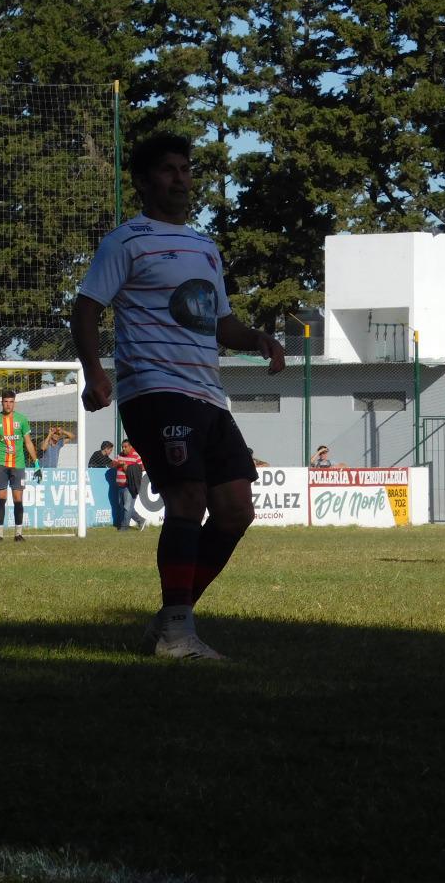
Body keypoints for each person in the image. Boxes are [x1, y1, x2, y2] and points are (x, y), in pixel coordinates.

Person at [72, 132, 285, 660]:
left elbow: (221, 323)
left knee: (236, 511)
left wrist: (256, 339)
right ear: (144, 182)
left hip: (208, 395)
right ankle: (177, 633)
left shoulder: (206, 247)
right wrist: (95, 371)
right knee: (188, 499)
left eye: (186, 169)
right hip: (155, 389)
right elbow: (86, 308)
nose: (181, 179)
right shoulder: (126, 241)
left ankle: (172, 620)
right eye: (168, 170)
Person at [0, 389, 40, 542]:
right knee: (1, 499)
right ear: (1, 402)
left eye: (11, 401)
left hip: (18, 464)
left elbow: (28, 442)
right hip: (0, 464)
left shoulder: (22, 420)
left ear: (15, 403)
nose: (8, 404)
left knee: (18, 499)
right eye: (6, 401)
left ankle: (18, 534)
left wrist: (36, 464)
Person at [113, 440, 147, 530]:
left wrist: (129, 468)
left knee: (127, 507)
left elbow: (142, 467)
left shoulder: (136, 456)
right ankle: (141, 520)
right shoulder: (120, 455)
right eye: (122, 447)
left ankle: (124, 528)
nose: (123, 448)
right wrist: (120, 463)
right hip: (120, 485)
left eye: (125, 447)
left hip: (130, 485)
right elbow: (112, 464)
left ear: (130, 447)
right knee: (124, 507)